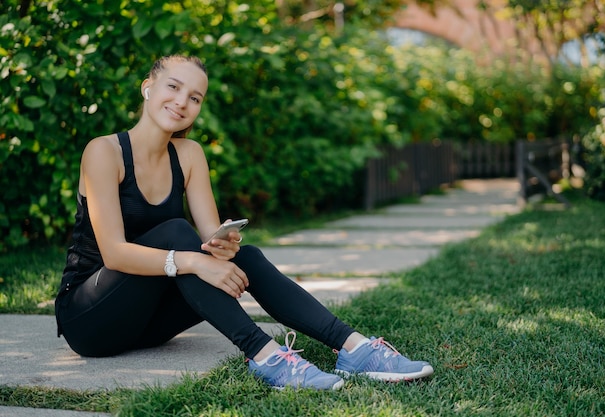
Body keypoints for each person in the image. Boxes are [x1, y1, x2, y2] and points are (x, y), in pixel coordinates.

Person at [54, 55, 434, 390]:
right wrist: (195, 260)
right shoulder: (104, 151)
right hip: (91, 321)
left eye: (195, 97)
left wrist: (223, 246)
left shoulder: (189, 154)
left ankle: (354, 349)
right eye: (173, 87)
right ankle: (268, 358)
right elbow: (116, 254)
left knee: (245, 256)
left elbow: (207, 240)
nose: (182, 101)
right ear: (148, 88)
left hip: (147, 324)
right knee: (176, 233)